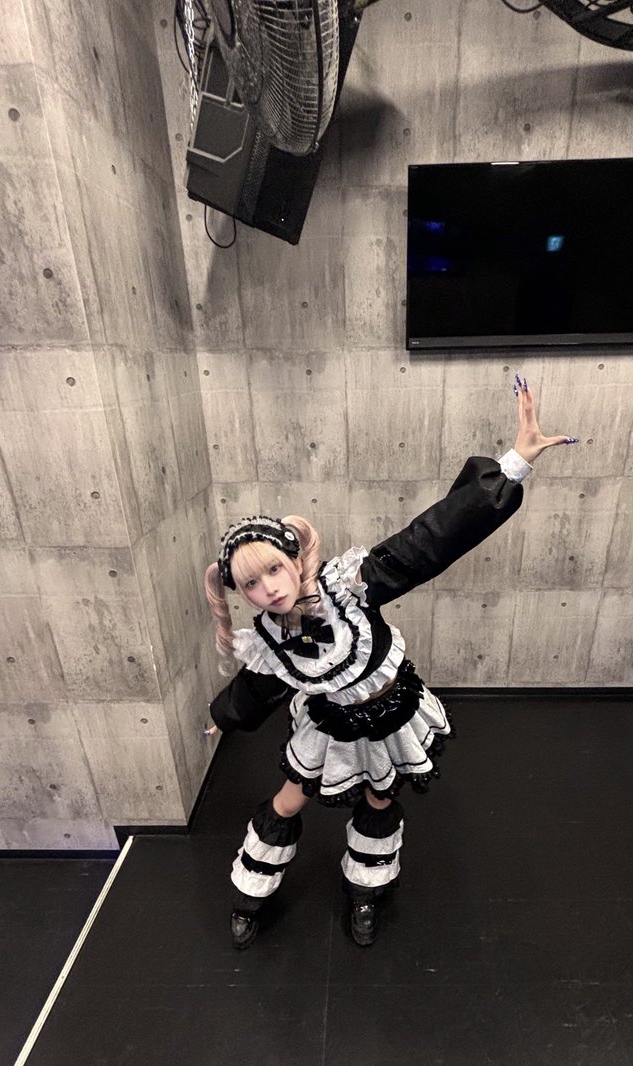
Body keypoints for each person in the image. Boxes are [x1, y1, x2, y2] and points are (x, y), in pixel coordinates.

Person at [203, 377, 576, 949]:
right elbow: (257, 687)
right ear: (240, 593)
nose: (269, 588)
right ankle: (251, 893)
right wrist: (223, 716)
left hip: (390, 714)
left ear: (293, 560)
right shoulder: (269, 639)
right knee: (289, 798)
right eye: (251, 584)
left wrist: (515, 463)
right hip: (330, 724)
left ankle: (366, 890)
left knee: (380, 799)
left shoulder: (350, 586)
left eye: (274, 569)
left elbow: (428, 540)